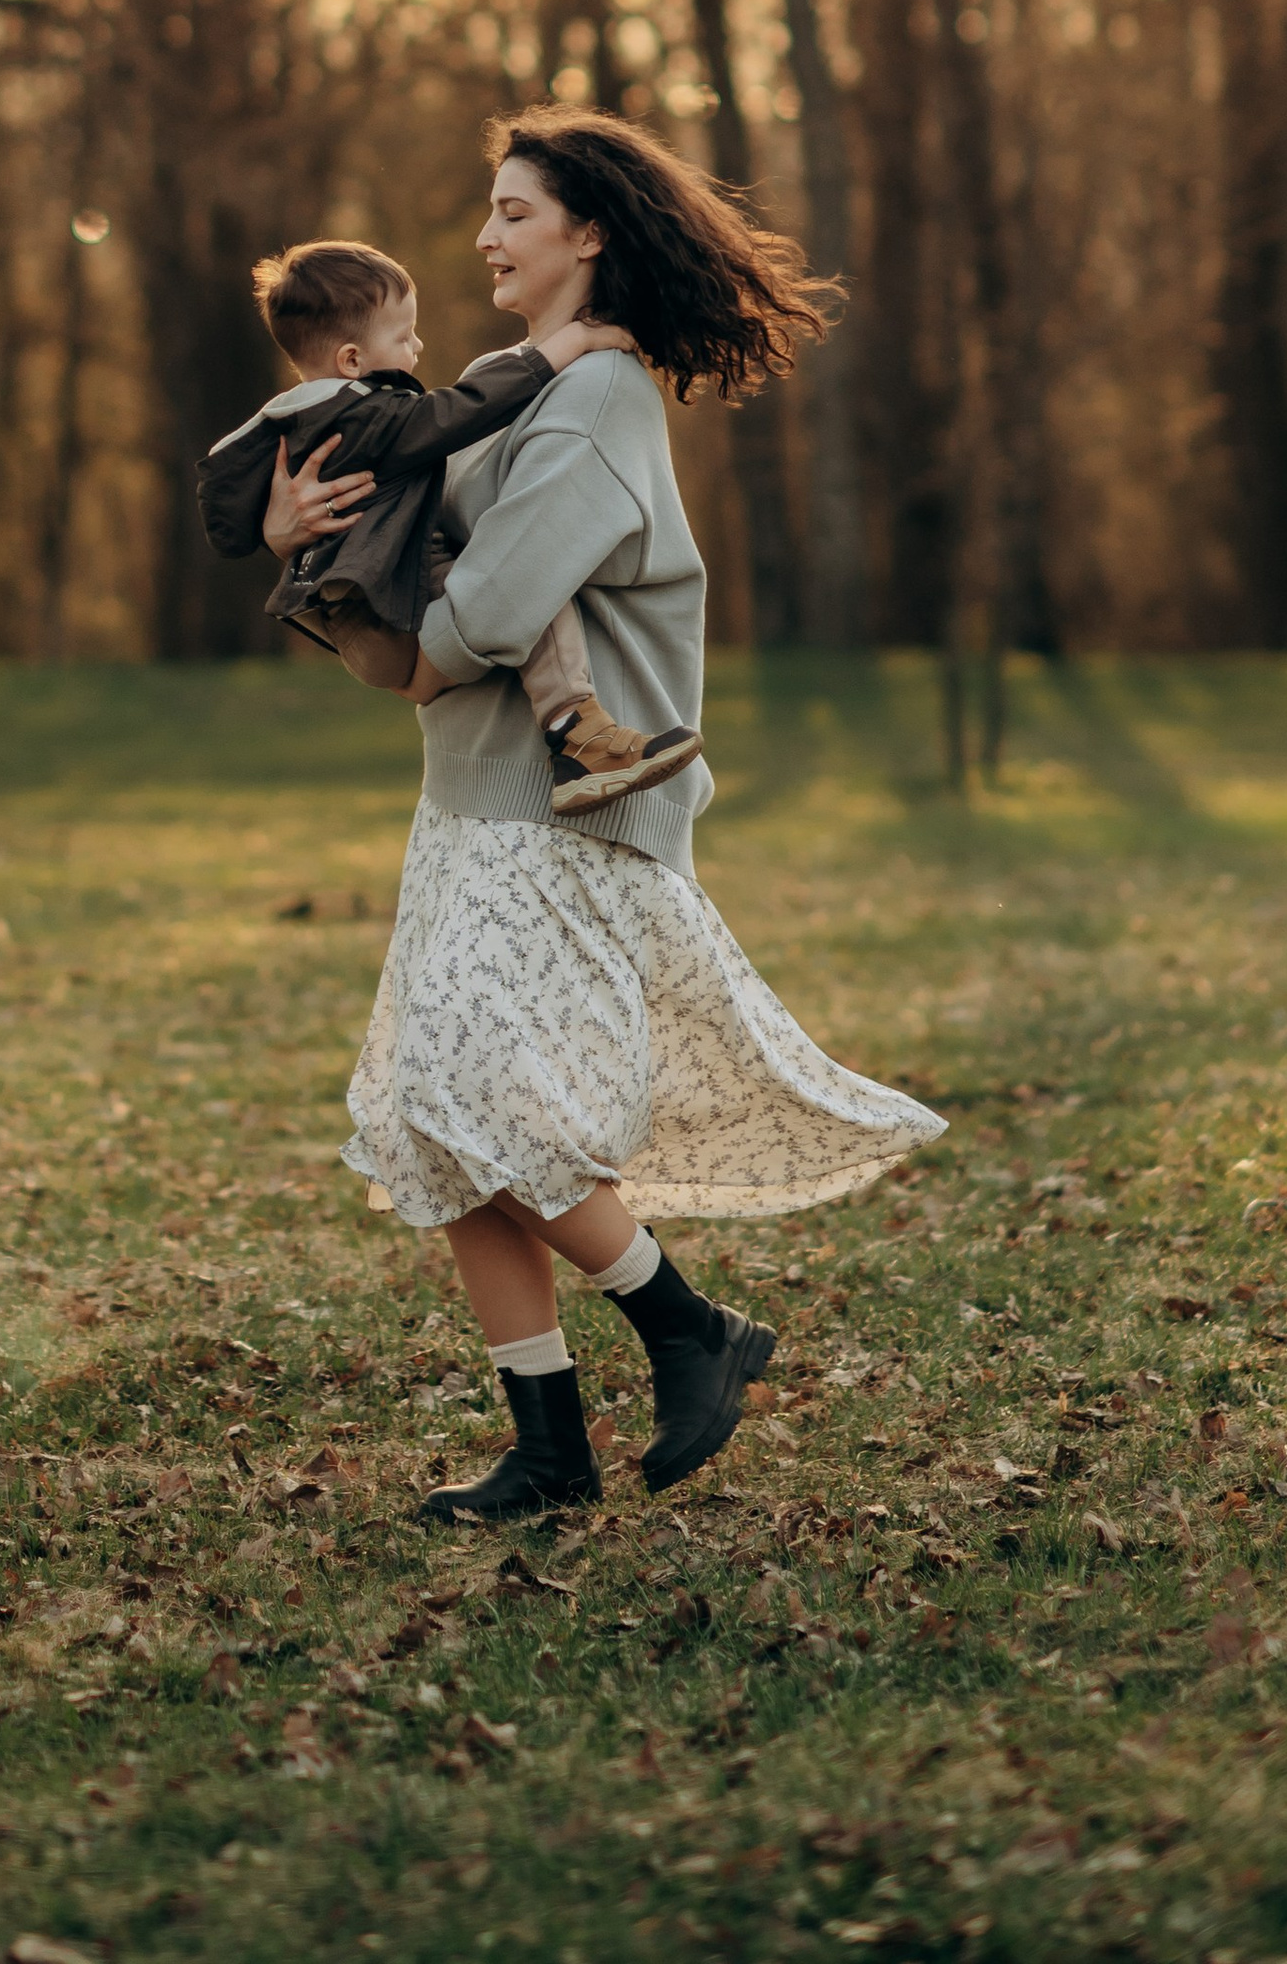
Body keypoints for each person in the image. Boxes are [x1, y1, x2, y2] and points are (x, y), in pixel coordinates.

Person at [265, 104, 945, 1523]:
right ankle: (551, 1448)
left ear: (587, 232)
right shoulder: (503, 393)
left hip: (563, 816)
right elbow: (404, 627)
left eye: (512, 212)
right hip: (467, 811)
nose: (484, 237)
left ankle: (690, 1331)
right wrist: (305, 557)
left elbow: (493, 612)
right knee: (436, 1133)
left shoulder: (602, 401)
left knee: (483, 1100)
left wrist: (416, 621)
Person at [197, 238, 707, 812]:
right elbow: (462, 410)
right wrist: (576, 341)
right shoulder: (367, 413)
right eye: (403, 337)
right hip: (394, 615)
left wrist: (276, 538)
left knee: (510, 572)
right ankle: (581, 737)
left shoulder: (283, 421)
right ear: (351, 361)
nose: (418, 346)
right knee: (532, 585)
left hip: (353, 622)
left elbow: (221, 512)